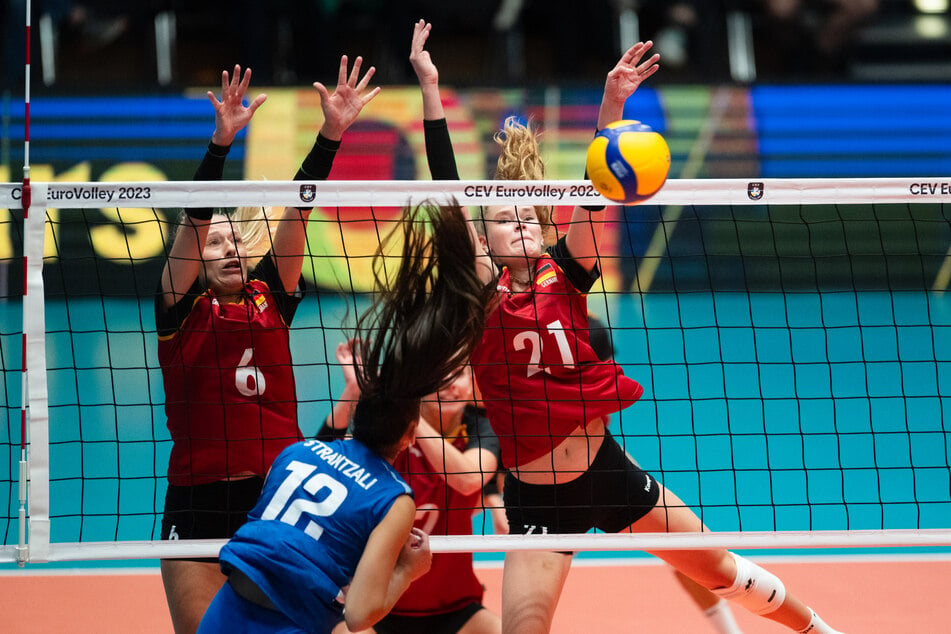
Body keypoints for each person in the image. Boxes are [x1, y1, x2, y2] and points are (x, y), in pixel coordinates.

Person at [410, 19, 842, 634]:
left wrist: (613, 104)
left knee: (717, 566)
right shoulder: (479, 295)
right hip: (539, 501)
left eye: (530, 213)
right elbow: (449, 188)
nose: (523, 222)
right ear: (484, 239)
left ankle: (820, 629)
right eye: (505, 219)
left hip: (608, 471)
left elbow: (599, 181)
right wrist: (430, 87)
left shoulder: (569, 271)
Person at [156, 56, 380, 634]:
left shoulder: (271, 298)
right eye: (215, 244)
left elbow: (299, 210)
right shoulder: (181, 311)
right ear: (197, 256)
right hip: (198, 501)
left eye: (237, 240)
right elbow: (195, 219)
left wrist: (332, 133)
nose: (228, 248)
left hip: (279, 499)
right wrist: (220, 143)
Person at [197, 198, 489, 633]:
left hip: (225, 613)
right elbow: (358, 615)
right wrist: (410, 568)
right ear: (410, 433)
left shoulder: (298, 454)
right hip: (293, 620)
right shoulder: (393, 496)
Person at [319, 340, 503, 634]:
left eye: (459, 374)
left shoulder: (482, 428)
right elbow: (326, 459)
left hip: (456, 609)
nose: (451, 385)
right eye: (439, 377)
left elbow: (469, 479)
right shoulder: (391, 436)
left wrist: (409, 413)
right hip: (377, 605)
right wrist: (355, 392)